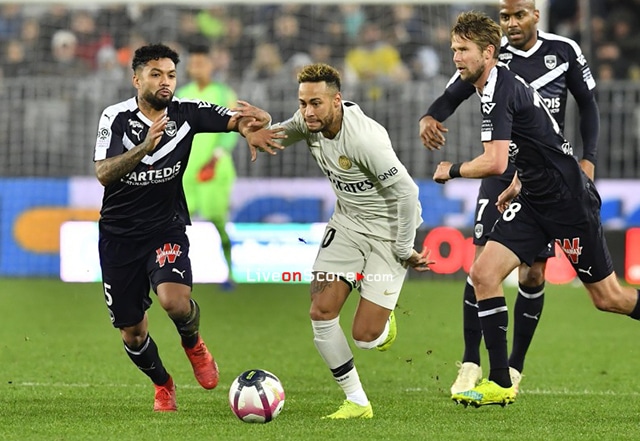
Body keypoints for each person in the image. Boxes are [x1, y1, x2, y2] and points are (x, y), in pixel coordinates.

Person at [432, 11, 640, 408]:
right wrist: (517, 184)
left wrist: (452, 170)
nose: (455, 58)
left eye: (463, 50)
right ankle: (498, 381)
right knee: (483, 273)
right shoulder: (497, 83)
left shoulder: (500, 89)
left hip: (566, 202)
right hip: (532, 197)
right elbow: (539, 142)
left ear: (487, 52)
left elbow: (493, 161)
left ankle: (500, 374)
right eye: (453, 49)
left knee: (609, 298)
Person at [238, 63, 433, 419]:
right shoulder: (306, 122)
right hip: (346, 223)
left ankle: (380, 321)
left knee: (365, 336)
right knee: (321, 310)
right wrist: (251, 130)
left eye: (316, 103)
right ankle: (357, 401)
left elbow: (407, 193)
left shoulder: (363, 139)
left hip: (389, 229)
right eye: (303, 103)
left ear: (337, 101)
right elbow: (274, 136)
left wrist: (405, 249)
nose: (308, 112)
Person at [93, 43, 269, 412]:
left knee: (175, 301)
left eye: (171, 75)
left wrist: (253, 126)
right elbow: (103, 173)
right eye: (156, 74)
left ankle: (194, 344)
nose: (165, 82)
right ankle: (164, 384)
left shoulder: (187, 113)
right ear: (136, 78)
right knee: (132, 331)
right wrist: (143, 148)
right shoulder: (116, 117)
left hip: (165, 228)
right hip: (119, 237)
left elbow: (234, 120)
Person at [175, 44, 239, 290]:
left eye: (202, 63)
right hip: (187, 170)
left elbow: (233, 129)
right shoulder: (182, 94)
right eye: (193, 63)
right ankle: (173, 276)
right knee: (174, 224)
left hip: (214, 170)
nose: (197, 67)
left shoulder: (224, 93)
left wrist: (215, 157)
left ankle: (230, 273)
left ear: (211, 65)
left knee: (218, 221)